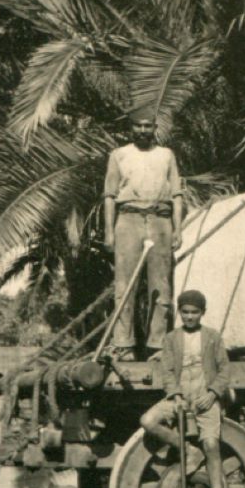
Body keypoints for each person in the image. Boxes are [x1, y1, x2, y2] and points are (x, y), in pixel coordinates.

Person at [139, 290, 229, 488]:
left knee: (211, 444)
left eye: (195, 312)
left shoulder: (213, 337)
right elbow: (167, 371)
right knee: (148, 421)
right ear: (179, 312)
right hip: (180, 398)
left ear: (202, 313)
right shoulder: (171, 339)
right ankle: (187, 450)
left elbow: (224, 370)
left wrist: (212, 393)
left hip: (204, 399)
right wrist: (175, 395)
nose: (190, 317)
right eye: (186, 312)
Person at [103, 105, 184, 361]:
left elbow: (177, 195)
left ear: (155, 129)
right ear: (130, 129)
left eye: (147, 126)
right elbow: (109, 196)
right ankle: (124, 346)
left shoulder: (166, 155)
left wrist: (177, 228)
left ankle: (158, 347)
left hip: (161, 219)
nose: (142, 130)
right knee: (125, 285)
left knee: (161, 287)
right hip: (128, 219)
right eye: (137, 126)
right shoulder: (119, 155)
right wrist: (109, 232)